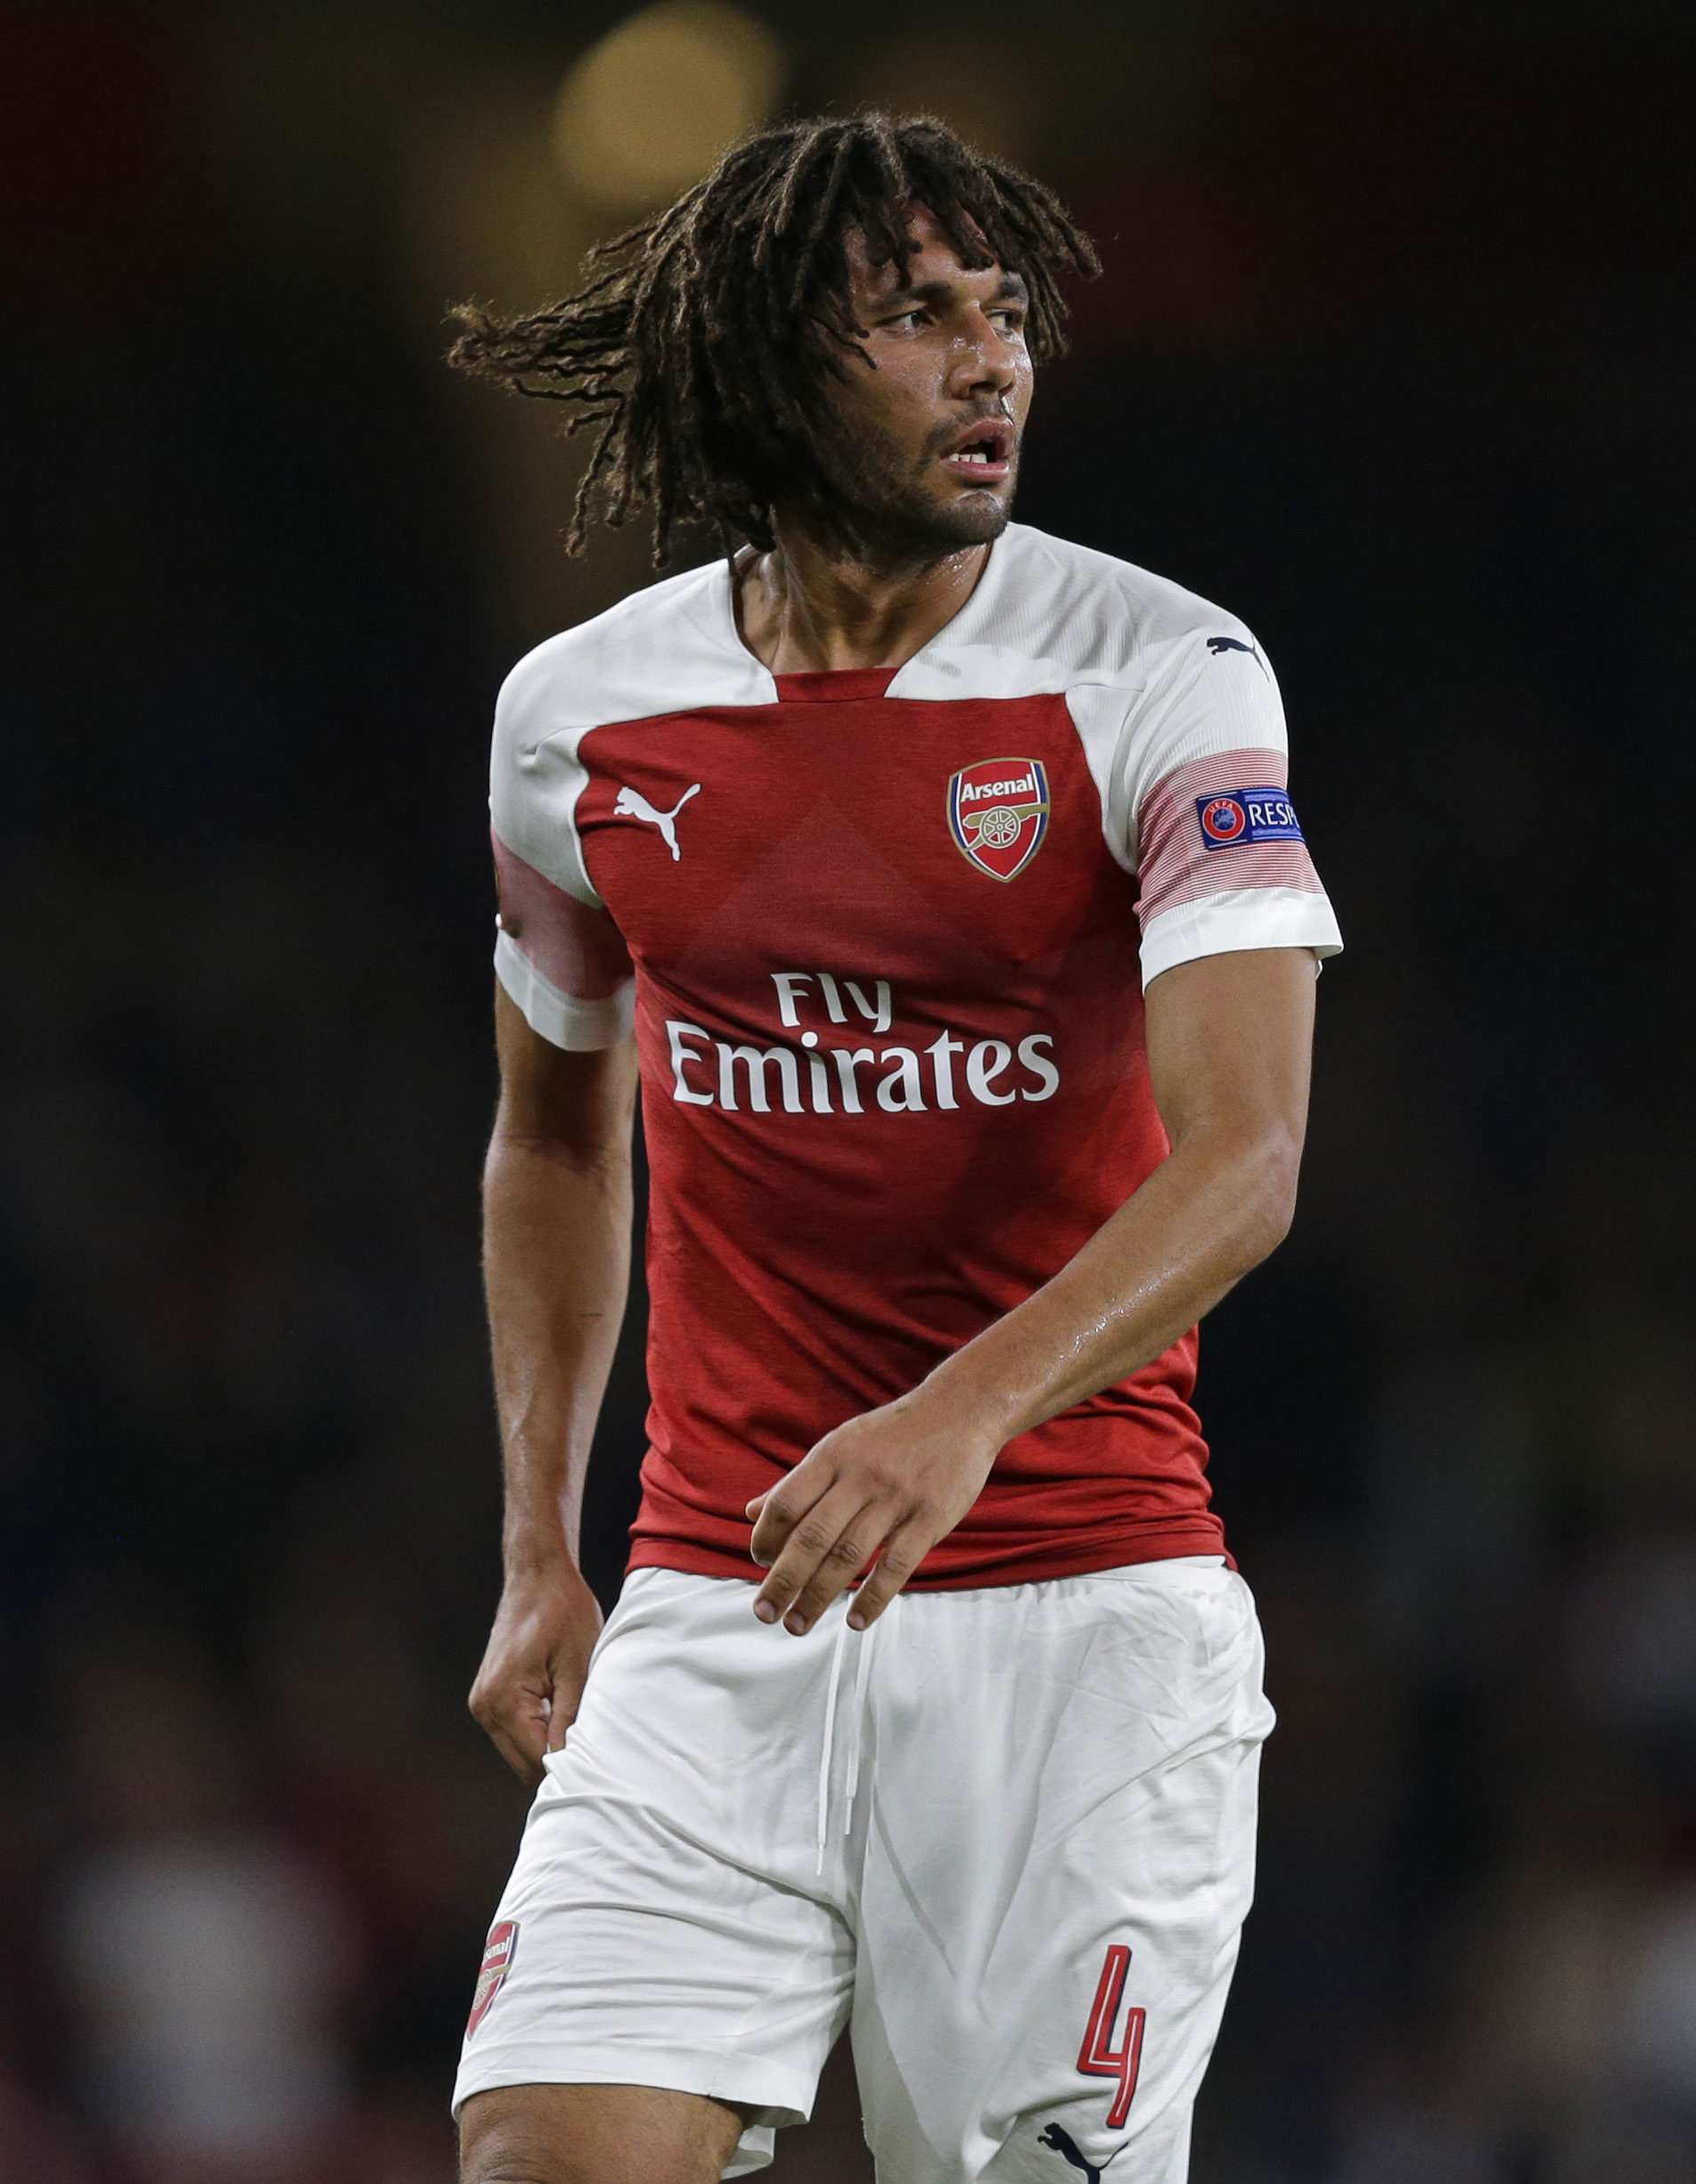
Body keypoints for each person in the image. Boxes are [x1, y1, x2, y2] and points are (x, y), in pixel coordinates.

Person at [441, 112, 1338, 2184]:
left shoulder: (1162, 675)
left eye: (1002, 314)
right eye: (917, 319)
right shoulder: (580, 718)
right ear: (765, 364)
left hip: (1080, 1627)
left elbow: (1249, 1155)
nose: (990, 362)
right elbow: (557, 1136)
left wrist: (956, 1417)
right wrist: (531, 1544)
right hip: (714, 1612)